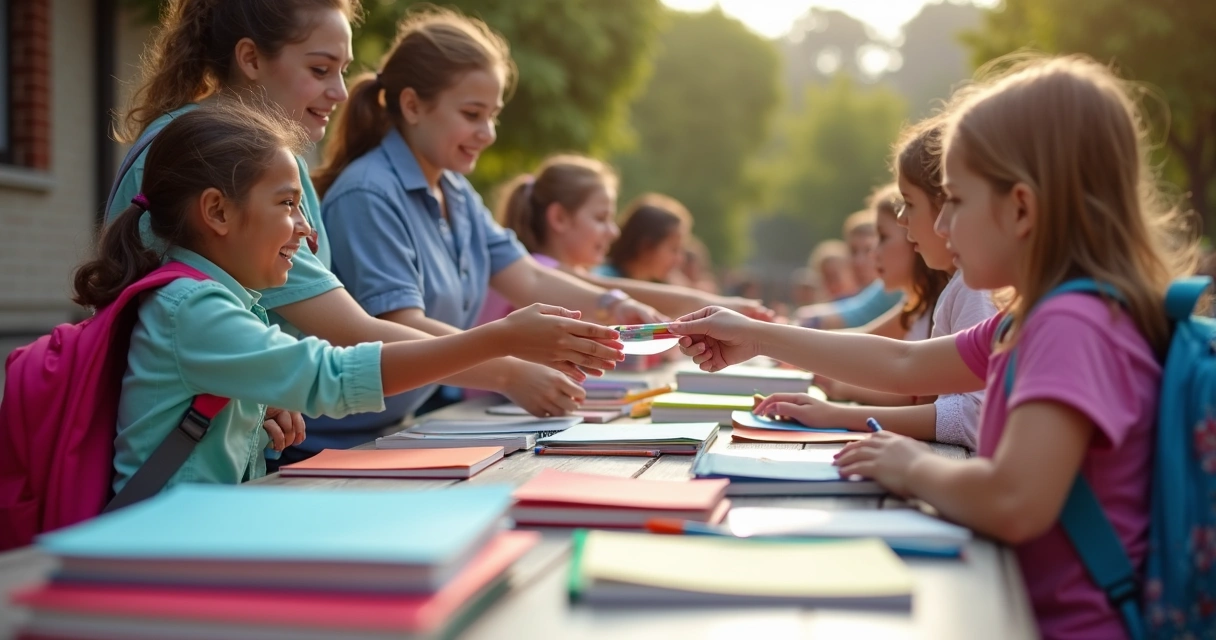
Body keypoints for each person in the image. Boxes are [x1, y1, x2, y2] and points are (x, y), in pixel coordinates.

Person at [673, 55, 1198, 640]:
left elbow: (1015, 501)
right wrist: (755, 336)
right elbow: (904, 363)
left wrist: (912, 467)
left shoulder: (1072, 325)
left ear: (1022, 208)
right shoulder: (1036, 319)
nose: (942, 226)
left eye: (957, 201)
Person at [106, 0, 596, 455]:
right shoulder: (212, 160)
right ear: (251, 59)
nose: (341, 91)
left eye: (341, 70)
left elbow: (254, 343)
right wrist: (505, 357)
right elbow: (346, 346)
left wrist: (259, 397)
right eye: (320, 70)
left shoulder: (265, 161)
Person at [81, 105, 620, 495]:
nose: (306, 230)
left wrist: (254, 408)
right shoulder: (194, 308)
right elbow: (334, 377)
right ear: (217, 212)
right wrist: (500, 339)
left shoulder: (219, 302)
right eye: (288, 204)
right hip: (165, 548)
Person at [311, 8, 666, 453]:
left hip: (392, 431)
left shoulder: (456, 192)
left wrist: (614, 305)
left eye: (493, 115)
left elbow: (528, 276)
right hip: (325, 444)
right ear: (413, 105)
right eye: (472, 114)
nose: (488, 133)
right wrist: (509, 372)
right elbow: (398, 326)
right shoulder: (367, 193)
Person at [478, 154, 771, 325]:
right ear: (560, 218)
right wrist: (711, 303)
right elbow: (609, 291)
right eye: (600, 218)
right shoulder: (537, 266)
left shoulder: (562, 271)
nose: (613, 232)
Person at [814, 184, 951, 407]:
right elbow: (862, 342)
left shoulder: (943, 302)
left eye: (883, 237)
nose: (872, 253)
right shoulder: (916, 303)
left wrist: (840, 386)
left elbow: (920, 396)